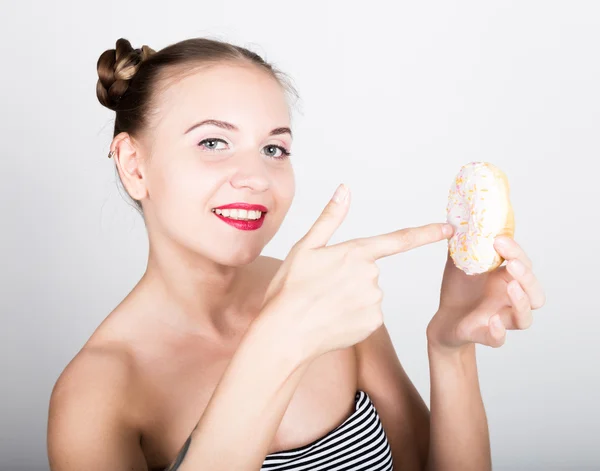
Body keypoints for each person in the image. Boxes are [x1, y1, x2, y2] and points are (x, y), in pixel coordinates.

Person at [46, 37, 545, 471]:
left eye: (273, 150)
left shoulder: (324, 293)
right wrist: (279, 343)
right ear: (134, 165)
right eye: (214, 141)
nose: (257, 178)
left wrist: (450, 349)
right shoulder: (96, 395)